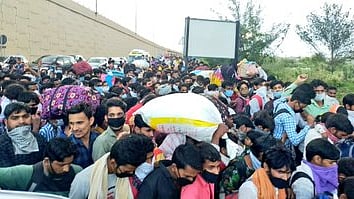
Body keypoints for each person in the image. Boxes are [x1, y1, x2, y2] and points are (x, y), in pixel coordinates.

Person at [69, 134, 154, 199]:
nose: (131, 173)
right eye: (127, 171)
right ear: (113, 163)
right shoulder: (83, 180)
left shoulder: (127, 175)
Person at [0, 138, 82, 197]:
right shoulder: (26, 174)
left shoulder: (77, 172)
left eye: (69, 163)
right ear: (46, 161)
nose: (66, 169)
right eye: (61, 165)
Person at [138, 143, 203, 199]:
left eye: (194, 176)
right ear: (174, 167)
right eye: (187, 176)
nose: (191, 180)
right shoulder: (151, 184)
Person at [0, 102, 46, 167]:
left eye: (25, 116)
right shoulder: (2, 143)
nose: (22, 121)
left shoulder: (39, 139)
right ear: (6, 122)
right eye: (15, 118)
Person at [67, 103, 99, 168]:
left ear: (91, 120)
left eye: (79, 123)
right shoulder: (67, 146)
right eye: (71, 123)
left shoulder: (99, 139)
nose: (75, 128)